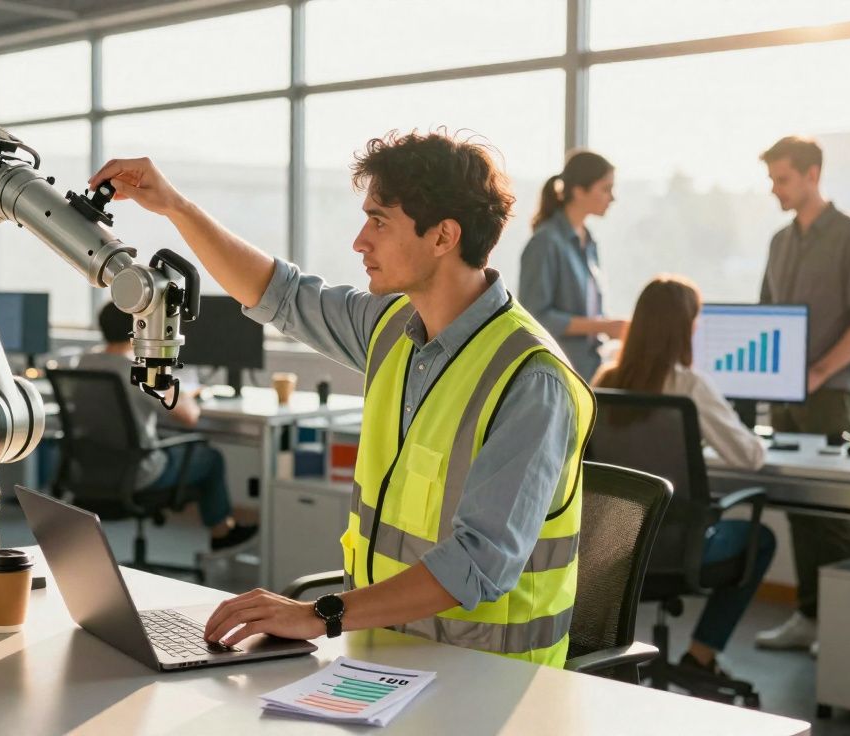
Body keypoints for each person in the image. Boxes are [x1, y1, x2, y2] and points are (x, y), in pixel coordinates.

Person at [89, 130, 595, 666]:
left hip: (489, 684)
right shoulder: (392, 325)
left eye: (379, 221)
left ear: (444, 236)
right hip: (383, 657)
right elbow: (276, 293)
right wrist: (175, 206)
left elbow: (477, 565)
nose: (360, 241)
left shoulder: (530, 381)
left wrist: (318, 614)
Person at [594, 275, 776, 680]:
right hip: (678, 548)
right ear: (683, 328)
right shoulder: (688, 385)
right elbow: (749, 456)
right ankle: (702, 653)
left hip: (615, 547)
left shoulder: (605, 381)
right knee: (760, 540)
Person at [752, 136, 850, 652]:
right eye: (771, 180)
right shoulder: (780, 242)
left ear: (812, 175)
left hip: (829, 395)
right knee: (800, 509)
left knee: (829, 513)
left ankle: (841, 627)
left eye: (781, 179)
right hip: (783, 396)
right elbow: (766, 316)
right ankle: (810, 618)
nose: (774, 190)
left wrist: (818, 373)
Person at [76, 301, 257, 551]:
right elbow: (189, 416)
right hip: (141, 473)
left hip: (94, 470)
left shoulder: (84, 362)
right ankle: (221, 531)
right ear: (138, 330)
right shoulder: (139, 372)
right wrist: (181, 391)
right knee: (211, 458)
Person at [519, 150, 629, 379]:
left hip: (589, 369)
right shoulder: (546, 242)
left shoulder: (588, 242)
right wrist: (602, 326)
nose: (613, 197)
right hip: (557, 373)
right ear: (579, 191)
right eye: (606, 188)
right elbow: (534, 316)